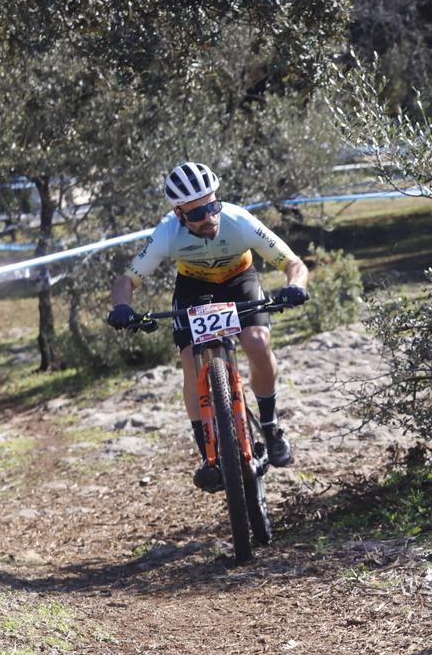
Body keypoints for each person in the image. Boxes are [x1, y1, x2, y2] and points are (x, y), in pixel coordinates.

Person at [106, 161, 310, 491]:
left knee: (257, 342)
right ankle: (208, 456)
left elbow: (293, 263)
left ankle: (271, 428)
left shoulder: (238, 221)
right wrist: (121, 307)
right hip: (194, 290)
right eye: (197, 213)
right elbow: (127, 280)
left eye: (212, 206)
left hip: (238, 281)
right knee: (190, 363)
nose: (209, 217)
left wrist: (296, 285)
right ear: (179, 214)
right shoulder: (166, 234)